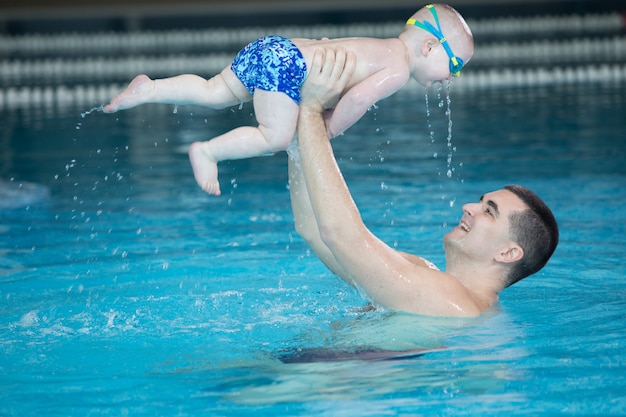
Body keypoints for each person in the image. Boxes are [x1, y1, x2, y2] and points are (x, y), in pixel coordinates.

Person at [290, 46, 559, 317]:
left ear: (508, 253)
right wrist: (302, 131)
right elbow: (312, 230)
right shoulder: (426, 275)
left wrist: (312, 109)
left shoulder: (453, 302)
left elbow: (342, 236)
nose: (469, 206)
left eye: (489, 211)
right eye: (481, 202)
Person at [104, 4, 474, 195]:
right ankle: (208, 152)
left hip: (275, 46)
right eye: (454, 66)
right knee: (275, 137)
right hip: (288, 67)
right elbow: (359, 99)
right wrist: (330, 128)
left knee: (214, 90)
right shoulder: (397, 67)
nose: (451, 78)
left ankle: (150, 89)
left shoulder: (379, 45)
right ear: (429, 46)